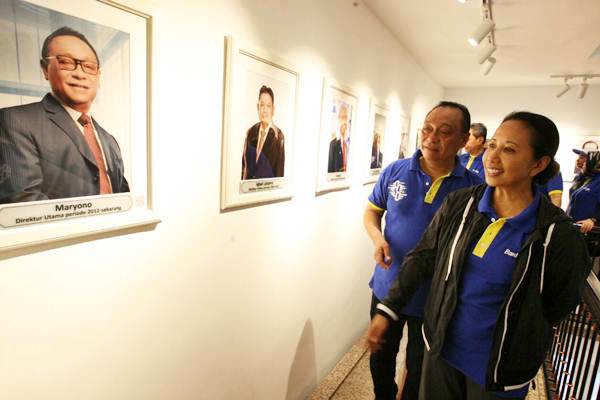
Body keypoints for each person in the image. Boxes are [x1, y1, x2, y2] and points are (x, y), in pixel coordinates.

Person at [367, 111, 591, 399]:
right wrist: (388, 309)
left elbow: (557, 305)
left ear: (538, 164)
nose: (492, 157)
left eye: (509, 150)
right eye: (493, 145)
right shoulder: (461, 204)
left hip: (498, 374)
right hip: (441, 353)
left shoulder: (557, 236)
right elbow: (423, 256)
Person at [364, 101, 482, 400]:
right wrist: (378, 239)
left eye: (444, 132)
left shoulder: (474, 188)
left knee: (420, 367)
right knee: (380, 358)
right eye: (427, 129)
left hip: (434, 296)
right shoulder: (395, 171)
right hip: (388, 284)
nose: (432, 138)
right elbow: (372, 211)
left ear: (463, 139)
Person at [0, 26, 129, 203]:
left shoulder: (109, 140)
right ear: (45, 69)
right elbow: (23, 201)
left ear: (98, 76)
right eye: (66, 62)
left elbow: (123, 198)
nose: (79, 74)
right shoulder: (15, 121)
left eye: (89, 66)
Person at [241, 85, 285, 180]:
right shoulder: (250, 132)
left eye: (268, 106)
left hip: (265, 189)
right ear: (258, 107)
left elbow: (279, 176)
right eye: (262, 105)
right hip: (247, 188)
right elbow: (244, 167)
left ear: (273, 109)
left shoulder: (279, 138)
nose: (264, 110)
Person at [567, 150, 600, 234]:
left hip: (589, 231)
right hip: (573, 227)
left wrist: (593, 220)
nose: (578, 160)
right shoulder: (582, 178)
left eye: (583, 158)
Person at [328, 104, 350, 173]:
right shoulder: (333, 143)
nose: (344, 121)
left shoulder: (348, 143)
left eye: (346, 117)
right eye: (342, 117)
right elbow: (330, 168)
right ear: (338, 118)